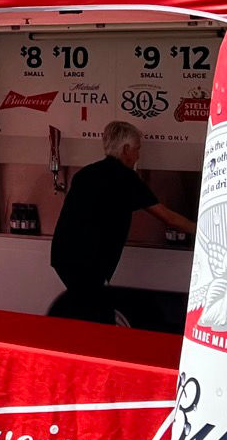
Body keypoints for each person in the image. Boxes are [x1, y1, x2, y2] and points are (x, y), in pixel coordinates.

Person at [47, 122, 198, 326]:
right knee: (98, 314)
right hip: (88, 262)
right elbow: (167, 217)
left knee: (87, 309)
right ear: (126, 149)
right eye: (137, 150)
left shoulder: (86, 173)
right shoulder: (126, 178)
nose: (138, 155)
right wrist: (201, 230)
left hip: (63, 255)